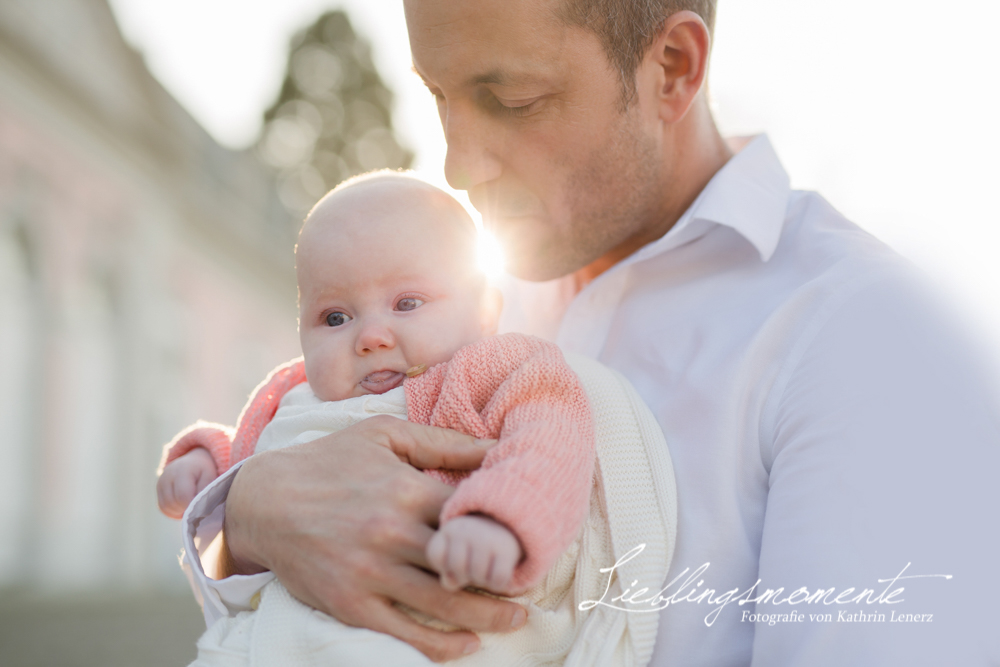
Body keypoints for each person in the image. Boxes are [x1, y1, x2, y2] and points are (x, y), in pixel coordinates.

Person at [179, 0, 1000, 664]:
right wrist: (247, 511)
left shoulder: (867, 338)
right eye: (439, 94)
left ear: (672, 69)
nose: (460, 166)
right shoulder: (453, 302)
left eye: (513, 101)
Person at [161, 173, 676, 666]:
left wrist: (499, 519)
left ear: (484, 312)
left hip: (420, 637)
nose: (371, 336)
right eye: (335, 317)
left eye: (407, 303)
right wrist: (208, 458)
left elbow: (548, 443)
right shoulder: (292, 396)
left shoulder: (493, 371)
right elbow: (257, 452)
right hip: (276, 641)